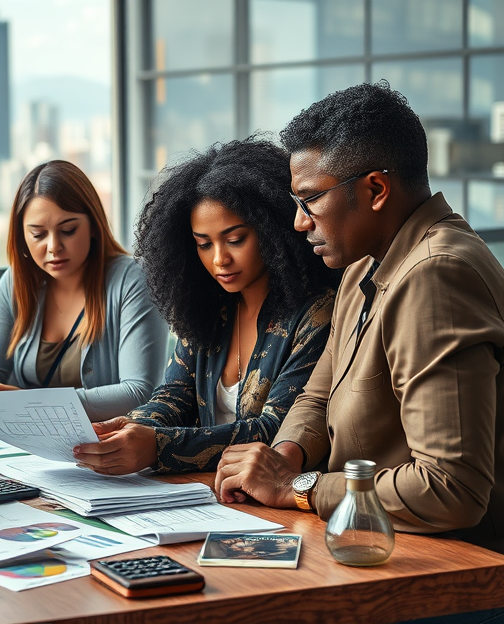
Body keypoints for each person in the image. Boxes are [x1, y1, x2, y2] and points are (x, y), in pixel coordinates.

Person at [214, 82, 504, 622]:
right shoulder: (366, 261)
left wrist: (297, 487)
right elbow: (319, 393)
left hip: (462, 582)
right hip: (382, 555)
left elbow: (451, 488)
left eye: (309, 199)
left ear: (376, 189)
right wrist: (283, 456)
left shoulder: (437, 275)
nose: (298, 222)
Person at [73, 138, 337, 474]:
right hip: (204, 493)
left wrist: (157, 447)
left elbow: (277, 431)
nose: (219, 259)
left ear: (273, 230)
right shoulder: (208, 308)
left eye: (235, 239)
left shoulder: (317, 314)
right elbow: (173, 395)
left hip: (277, 501)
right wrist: (126, 429)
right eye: (203, 244)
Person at [0, 160, 169, 423]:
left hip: (110, 445)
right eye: (38, 235)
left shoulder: (133, 280)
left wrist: (29, 403)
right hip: (33, 442)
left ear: (93, 225)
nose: (54, 247)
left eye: (68, 230)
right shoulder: (16, 282)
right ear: (22, 236)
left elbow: (140, 392)